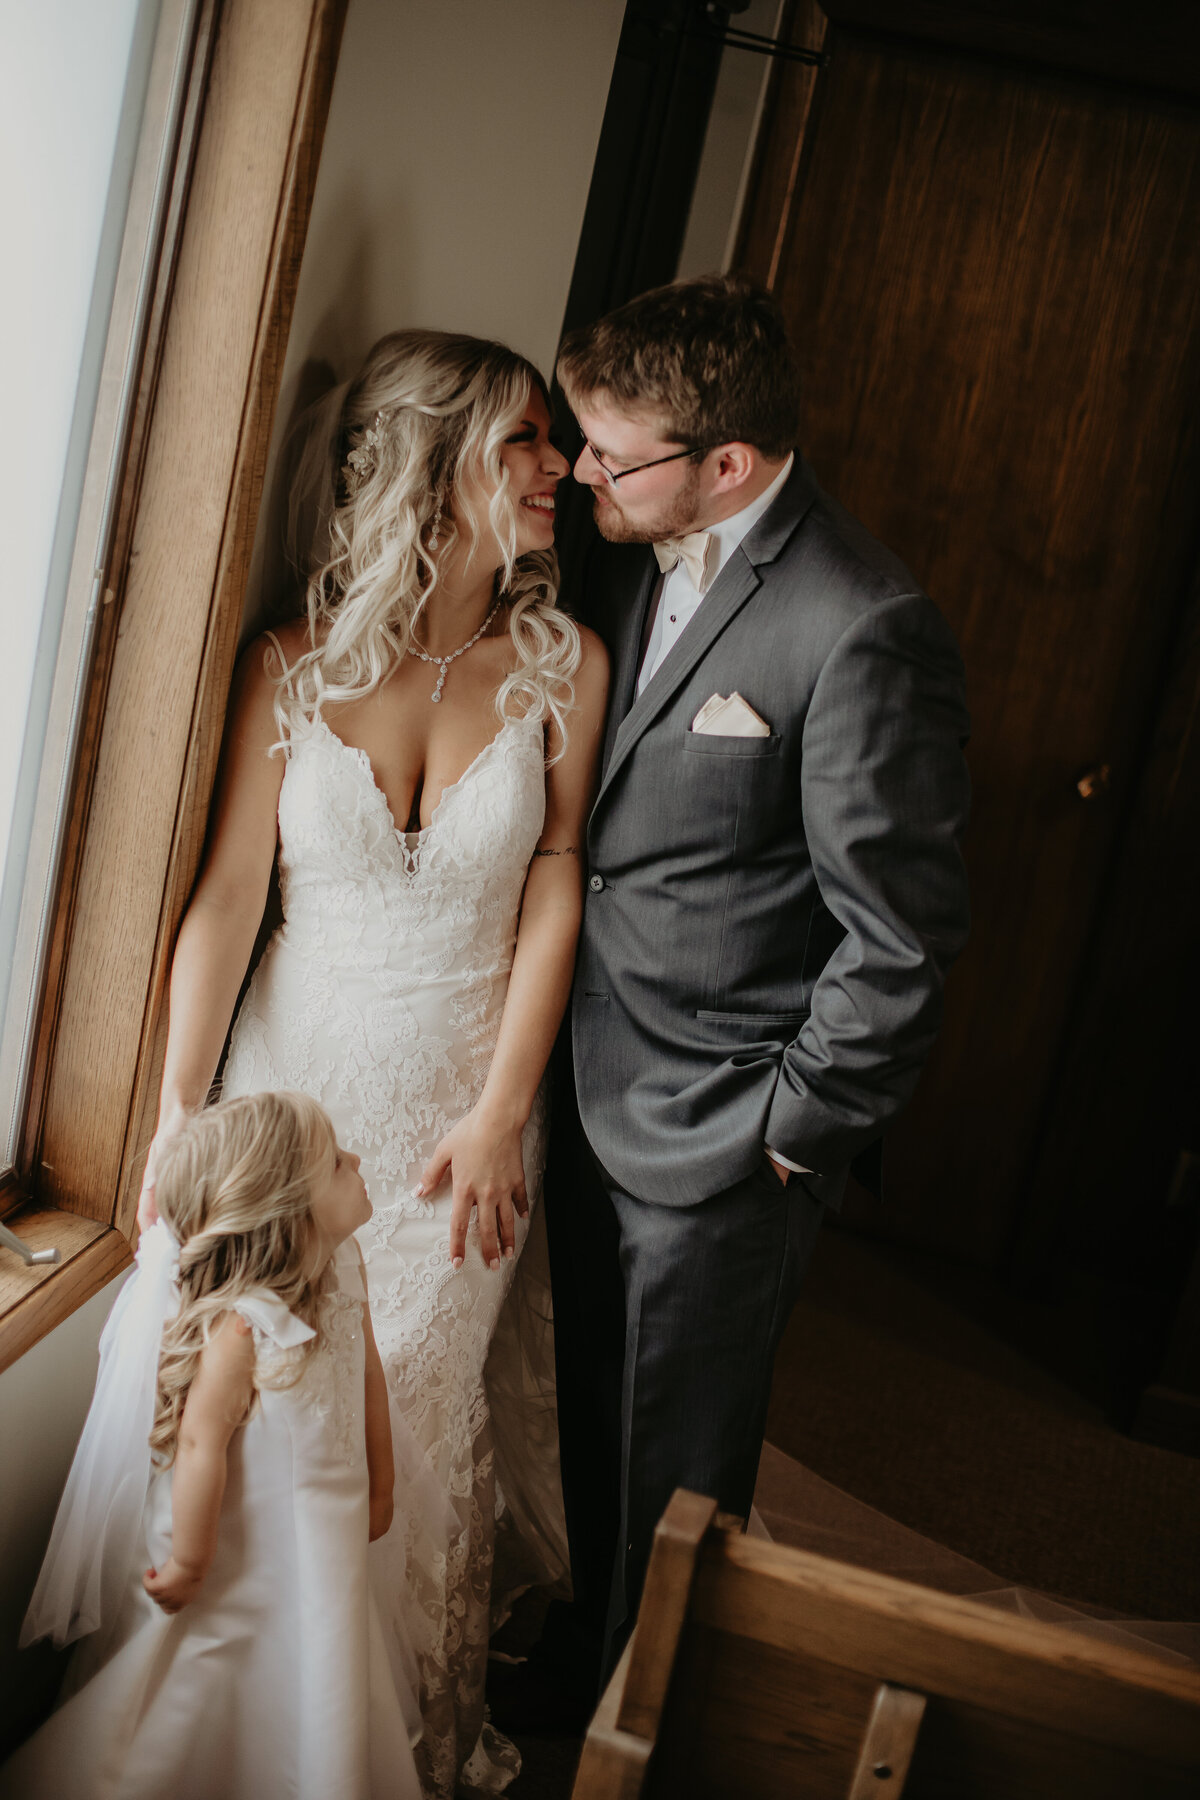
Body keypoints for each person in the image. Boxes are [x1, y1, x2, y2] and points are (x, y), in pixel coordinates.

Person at [136, 329, 608, 1797]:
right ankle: (232, 1732)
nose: (562, 470)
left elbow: (556, 876)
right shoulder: (291, 659)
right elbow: (226, 896)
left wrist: (503, 1114)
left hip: (454, 1131)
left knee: (413, 1419)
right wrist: (177, 1112)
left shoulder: (566, 664)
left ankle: (374, 1743)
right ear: (437, 462)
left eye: (561, 444)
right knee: (263, 1405)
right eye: (527, 443)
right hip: (296, 1102)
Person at [540, 273, 971, 1700]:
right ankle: (584, 1681)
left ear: (725, 466)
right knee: (589, 1419)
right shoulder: (614, 547)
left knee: (681, 1482)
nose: (581, 470)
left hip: (727, 1134)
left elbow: (899, 937)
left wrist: (788, 1134)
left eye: (612, 451)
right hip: (582, 1090)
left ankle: (637, 1744)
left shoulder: (861, 623)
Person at [4, 1091, 424, 1800]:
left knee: (327, 1655)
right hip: (246, 1556)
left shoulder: (344, 1274)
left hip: (329, 1534)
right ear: (283, 1210)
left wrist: (383, 1485)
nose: (357, 1163)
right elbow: (199, 1444)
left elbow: (369, 1380)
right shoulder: (242, 1330)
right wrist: (193, 1558)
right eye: (335, 1163)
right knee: (225, 1667)